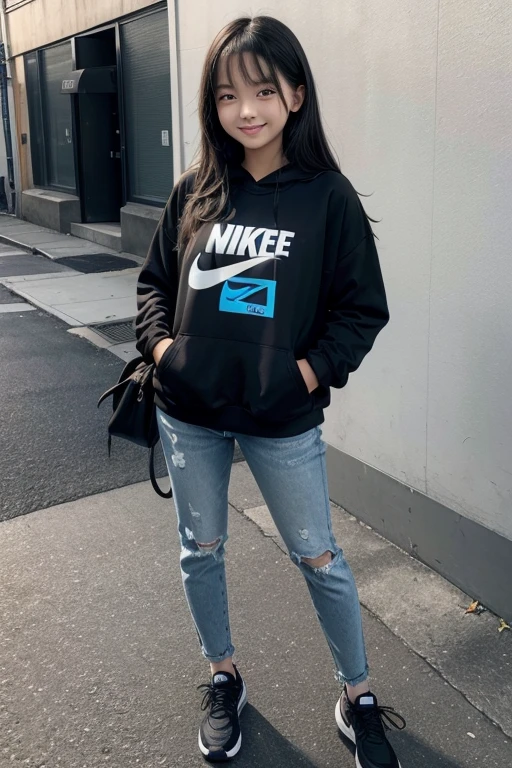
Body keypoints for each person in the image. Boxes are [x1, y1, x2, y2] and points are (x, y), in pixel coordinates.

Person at [135, 15, 405, 768]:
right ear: (211, 105)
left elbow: (362, 310)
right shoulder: (195, 191)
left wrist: (304, 374)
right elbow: (153, 284)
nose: (244, 109)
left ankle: (358, 696)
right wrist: (164, 351)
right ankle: (224, 678)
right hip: (190, 415)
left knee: (319, 555)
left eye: (261, 90)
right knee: (202, 550)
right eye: (227, 95)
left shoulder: (328, 198)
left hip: (282, 418)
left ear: (295, 92)